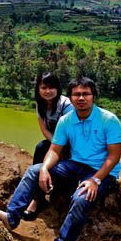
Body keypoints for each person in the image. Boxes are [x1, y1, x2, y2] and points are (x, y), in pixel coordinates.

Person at [0, 76, 121, 241]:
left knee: (81, 199)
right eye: (76, 94)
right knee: (34, 171)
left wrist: (95, 180)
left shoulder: (108, 120)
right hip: (74, 164)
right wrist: (44, 168)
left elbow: (114, 155)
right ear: (69, 97)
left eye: (85, 94)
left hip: (101, 171)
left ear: (94, 96)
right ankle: (12, 218)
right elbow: (54, 149)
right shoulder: (66, 120)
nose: (81, 98)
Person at [22, 72, 73, 221]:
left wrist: (61, 149)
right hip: (56, 142)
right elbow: (44, 129)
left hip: (71, 145)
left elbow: (72, 132)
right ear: (38, 89)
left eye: (52, 87)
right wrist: (55, 147)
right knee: (40, 148)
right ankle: (37, 199)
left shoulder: (66, 105)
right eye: (44, 87)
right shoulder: (41, 104)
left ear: (58, 88)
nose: (48, 91)